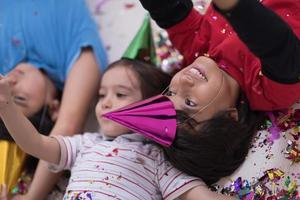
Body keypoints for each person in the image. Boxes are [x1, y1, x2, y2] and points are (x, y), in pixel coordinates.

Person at [117, 0, 300, 185]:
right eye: (190, 102)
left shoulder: (198, 53)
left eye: (171, 93)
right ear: (229, 118)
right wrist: (233, 6)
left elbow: (169, 10)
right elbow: (279, 47)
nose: (183, 81)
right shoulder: (268, 91)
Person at [0, 58, 236, 200]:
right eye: (102, 95)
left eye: (120, 94)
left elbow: (199, 196)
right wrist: (7, 106)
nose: (106, 103)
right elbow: (34, 143)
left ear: (154, 105)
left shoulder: (159, 160)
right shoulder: (86, 144)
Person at [0, 0, 107, 199]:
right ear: (53, 108)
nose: (10, 84)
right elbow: (68, 125)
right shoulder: (77, 55)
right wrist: (33, 197)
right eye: (20, 99)